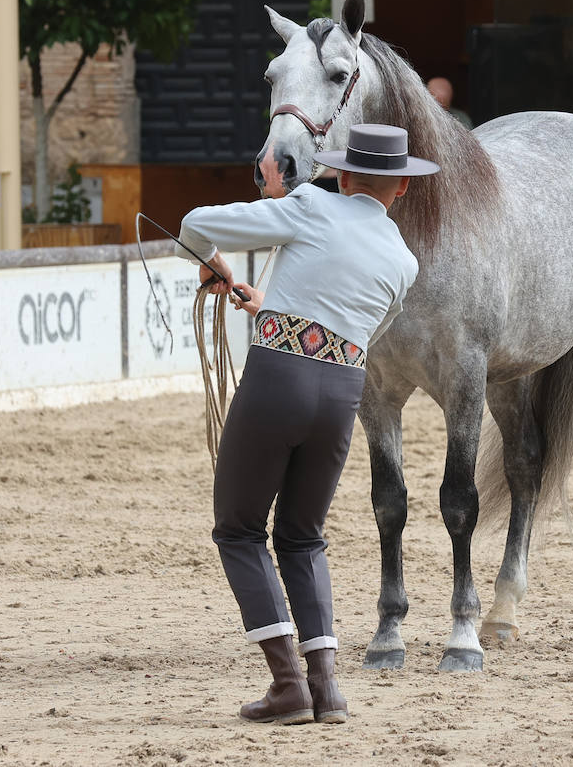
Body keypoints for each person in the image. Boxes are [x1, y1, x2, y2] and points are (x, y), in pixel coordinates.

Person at [179, 123, 430, 725]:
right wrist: (273, 305)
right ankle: (326, 688)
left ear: (342, 176)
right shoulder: (404, 260)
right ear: (398, 190)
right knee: (303, 536)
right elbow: (349, 329)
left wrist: (216, 266)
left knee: (239, 530)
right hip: (341, 393)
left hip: (277, 381)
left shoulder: (312, 204)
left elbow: (194, 224)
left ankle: (287, 682)